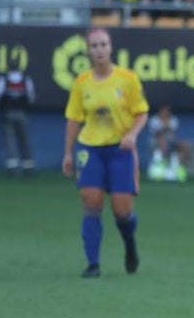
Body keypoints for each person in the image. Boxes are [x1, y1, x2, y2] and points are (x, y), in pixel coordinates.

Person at [62, 29, 149, 279]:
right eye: (94, 46)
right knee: (91, 202)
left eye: (103, 45)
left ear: (111, 48)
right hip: (90, 148)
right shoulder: (82, 83)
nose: (99, 50)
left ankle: (129, 244)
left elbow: (141, 112)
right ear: (88, 51)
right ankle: (93, 264)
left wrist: (132, 135)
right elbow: (73, 119)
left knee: (122, 212)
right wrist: (68, 153)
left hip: (120, 149)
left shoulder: (127, 79)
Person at [0, 56, 36, 177]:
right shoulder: (26, 80)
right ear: (19, 67)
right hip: (22, 114)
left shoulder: (3, 80)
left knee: (10, 142)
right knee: (24, 141)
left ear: (8, 68)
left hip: (7, 114)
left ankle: (13, 169)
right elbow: (31, 98)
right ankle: (28, 168)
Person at [147, 104, 190, 182]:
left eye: (166, 111)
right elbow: (158, 134)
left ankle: (180, 167)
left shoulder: (174, 120)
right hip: (156, 143)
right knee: (163, 140)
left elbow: (172, 134)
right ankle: (161, 163)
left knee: (185, 145)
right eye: (163, 111)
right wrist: (165, 128)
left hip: (171, 142)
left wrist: (166, 128)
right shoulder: (154, 120)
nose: (164, 113)